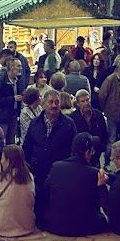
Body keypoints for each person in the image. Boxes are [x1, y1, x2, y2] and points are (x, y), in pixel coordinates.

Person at [24, 89, 77, 223]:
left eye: (57, 102)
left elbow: (73, 150)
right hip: (38, 171)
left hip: (59, 172)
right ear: (43, 103)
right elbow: (27, 147)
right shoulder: (35, 123)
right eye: (51, 102)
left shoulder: (68, 124)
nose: (54, 105)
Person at [39, 132, 107, 236]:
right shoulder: (94, 173)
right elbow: (104, 203)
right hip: (86, 226)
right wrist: (102, 186)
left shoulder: (57, 167)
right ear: (88, 152)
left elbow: (45, 191)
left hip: (55, 225)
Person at [0, 144, 36, 237]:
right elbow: (31, 201)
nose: (1, 161)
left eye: (2, 158)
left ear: (8, 160)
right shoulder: (29, 177)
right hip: (26, 225)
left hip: (0, 227)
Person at [98, 60, 120, 152]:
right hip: (112, 113)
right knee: (111, 138)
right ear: (119, 70)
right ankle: (107, 161)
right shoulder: (110, 79)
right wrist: (105, 108)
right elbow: (102, 96)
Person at [71, 89, 108, 166]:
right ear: (77, 103)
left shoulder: (98, 115)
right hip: (80, 158)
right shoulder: (73, 118)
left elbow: (104, 134)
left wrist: (99, 149)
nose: (86, 103)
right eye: (82, 101)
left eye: (87, 100)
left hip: (96, 154)